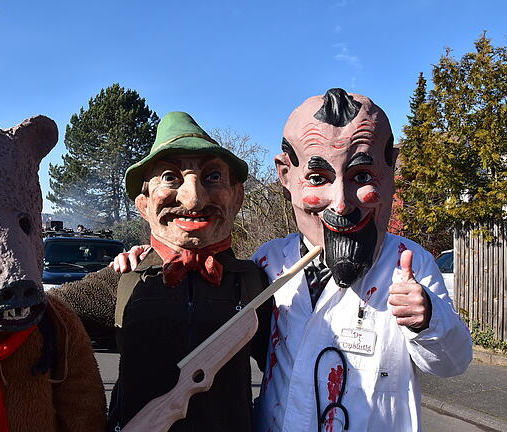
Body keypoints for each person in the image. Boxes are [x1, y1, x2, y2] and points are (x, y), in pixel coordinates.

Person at [114, 90, 473, 431]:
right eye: (318, 178)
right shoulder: (268, 264)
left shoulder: (409, 264)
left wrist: (427, 319)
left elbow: (451, 363)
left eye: (361, 176)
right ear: (287, 175)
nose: (342, 204)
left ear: (391, 169)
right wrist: (148, 260)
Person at [48, 111, 272, 431]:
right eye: (170, 177)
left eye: (212, 177)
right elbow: (34, 324)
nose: (192, 199)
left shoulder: (255, 281)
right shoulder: (125, 278)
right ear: (144, 204)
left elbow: (292, 374)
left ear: (237, 198)